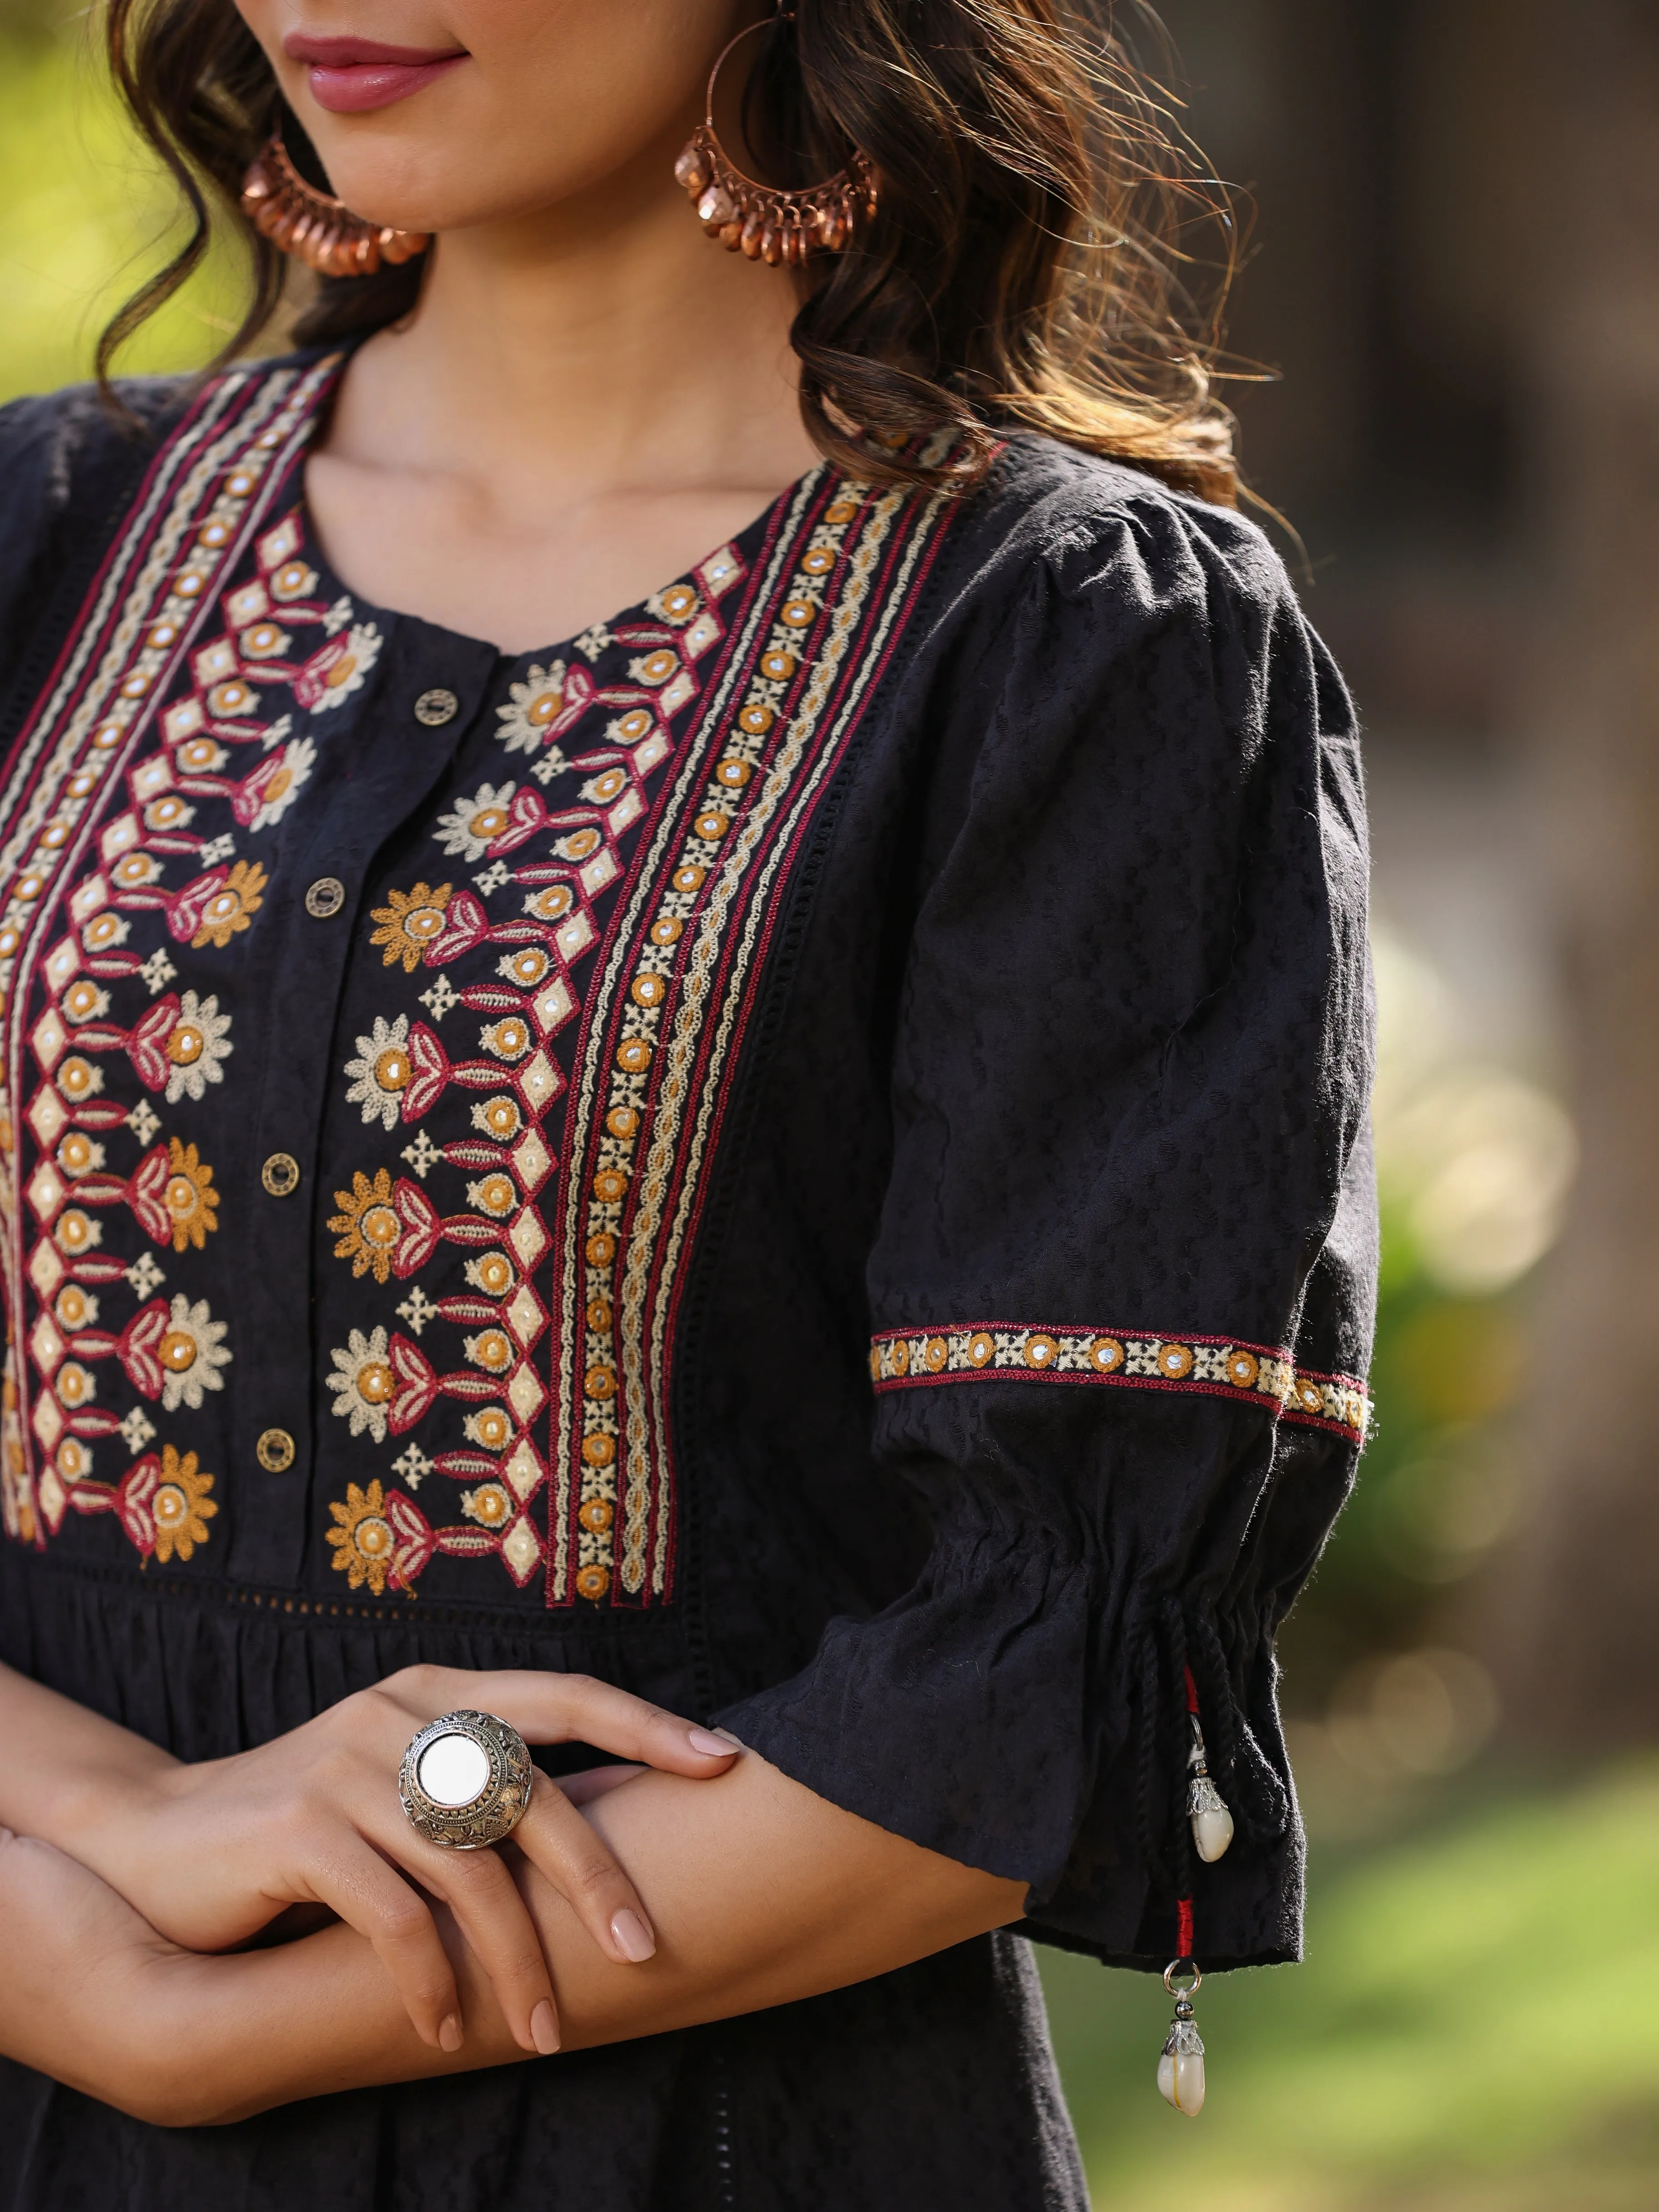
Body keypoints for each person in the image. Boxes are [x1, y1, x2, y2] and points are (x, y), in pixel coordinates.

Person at [0, 0, 1376, 2202]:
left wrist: (206, 2025)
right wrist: (105, 1844)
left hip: (706, 2133)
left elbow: (1024, 1647)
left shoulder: (1074, 645)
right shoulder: (42, 540)